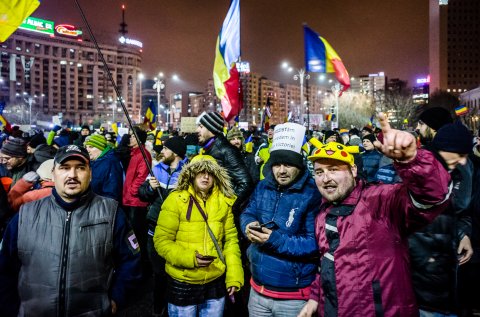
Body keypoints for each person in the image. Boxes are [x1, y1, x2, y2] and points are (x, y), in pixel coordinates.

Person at [297, 113, 452, 317]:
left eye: (334, 169)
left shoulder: (381, 200)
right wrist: (315, 298)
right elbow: (327, 263)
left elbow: (432, 197)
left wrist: (413, 162)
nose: (326, 178)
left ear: (353, 170)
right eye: (319, 172)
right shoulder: (322, 214)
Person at [0, 144, 142, 316]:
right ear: (53, 173)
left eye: (80, 168)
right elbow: (5, 268)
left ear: (90, 173)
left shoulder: (112, 214)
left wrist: (116, 299)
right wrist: (11, 307)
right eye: (65, 168)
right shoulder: (26, 216)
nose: (72, 175)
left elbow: (131, 261)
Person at [241, 123, 322, 317]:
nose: (282, 170)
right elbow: (248, 212)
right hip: (257, 289)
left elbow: (315, 243)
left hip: (293, 297)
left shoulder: (312, 194)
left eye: (288, 165)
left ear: (299, 166)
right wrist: (248, 225)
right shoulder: (263, 186)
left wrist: (273, 239)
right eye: (277, 164)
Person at [153, 155, 244, 317]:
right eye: (200, 171)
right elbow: (161, 240)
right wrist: (190, 258)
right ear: (191, 174)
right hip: (183, 281)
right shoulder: (176, 200)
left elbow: (230, 241)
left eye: (210, 172)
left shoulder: (224, 202)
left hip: (215, 281)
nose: (206, 176)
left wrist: (234, 275)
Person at [409, 121, 474, 317]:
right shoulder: (416, 171)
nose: (463, 161)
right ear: (442, 149)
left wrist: (464, 233)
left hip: (445, 286)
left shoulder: (460, 172)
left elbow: (460, 212)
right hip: (419, 291)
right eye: (459, 154)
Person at [138, 135, 187, 317]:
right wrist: (149, 188)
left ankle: (174, 306)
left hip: (178, 230)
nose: (162, 152)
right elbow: (141, 194)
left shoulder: (188, 171)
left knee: (175, 271)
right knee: (158, 272)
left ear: (174, 153)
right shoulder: (157, 169)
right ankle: (158, 308)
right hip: (155, 227)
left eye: (165, 149)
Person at [196, 112, 252, 213]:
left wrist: (227, 206)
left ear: (211, 128)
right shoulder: (210, 148)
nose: (197, 130)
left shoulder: (225, 150)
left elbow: (246, 183)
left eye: (201, 126)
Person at [123, 126, 152, 275]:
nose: (130, 138)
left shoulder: (143, 154)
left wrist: (132, 191)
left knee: (137, 236)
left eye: (133, 136)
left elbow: (142, 175)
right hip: (129, 200)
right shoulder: (134, 153)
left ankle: (141, 268)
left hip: (136, 202)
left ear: (139, 139)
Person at [85, 134, 124, 201]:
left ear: (100, 148)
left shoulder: (111, 162)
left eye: (91, 147)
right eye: (86, 147)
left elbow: (112, 192)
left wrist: (102, 208)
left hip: (103, 206)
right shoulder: (94, 161)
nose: (87, 150)